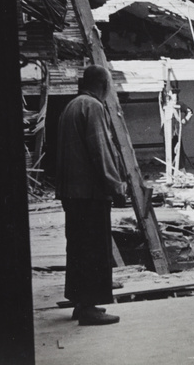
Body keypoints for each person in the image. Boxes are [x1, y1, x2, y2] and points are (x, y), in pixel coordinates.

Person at [55, 65, 127, 326]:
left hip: (72, 193)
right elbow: (101, 150)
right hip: (89, 194)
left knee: (77, 247)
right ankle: (88, 308)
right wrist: (116, 186)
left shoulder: (72, 106)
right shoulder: (93, 106)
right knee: (93, 249)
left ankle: (80, 302)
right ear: (102, 84)